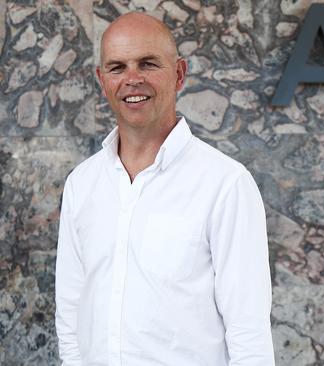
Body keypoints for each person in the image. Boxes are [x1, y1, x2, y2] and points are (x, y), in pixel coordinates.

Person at [55, 12, 275, 366]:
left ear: (179, 74)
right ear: (101, 79)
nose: (132, 79)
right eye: (117, 67)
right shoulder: (82, 184)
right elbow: (71, 309)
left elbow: (249, 334)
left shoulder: (225, 184)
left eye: (148, 63)